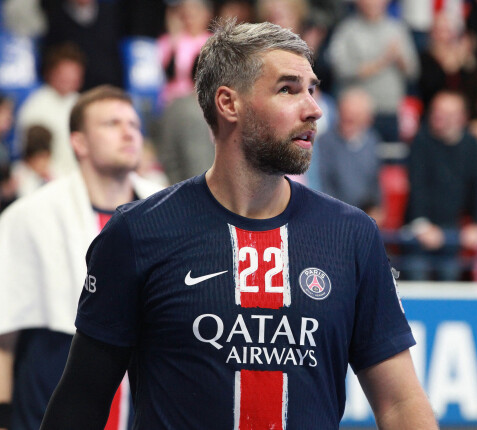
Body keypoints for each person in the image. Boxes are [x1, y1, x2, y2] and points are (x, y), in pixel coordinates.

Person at [40, 20, 438, 429]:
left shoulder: (352, 236)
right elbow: (81, 402)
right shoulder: (138, 233)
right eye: (288, 89)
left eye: (312, 89)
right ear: (228, 104)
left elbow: (400, 403)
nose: (314, 109)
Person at [0, 85, 162, 430]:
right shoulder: (29, 216)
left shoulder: (167, 214)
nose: (128, 133)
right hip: (47, 400)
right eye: (112, 124)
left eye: (134, 124)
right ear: (79, 143)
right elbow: (4, 335)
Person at [404, 90, 477, 281]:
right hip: (419, 227)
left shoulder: (472, 145)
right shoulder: (421, 141)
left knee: (450, 271)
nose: (439, 118)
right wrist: (422, 225)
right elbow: (417, 186)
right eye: (436, 112)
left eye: (447, 114)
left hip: (453, 228)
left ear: (462, 118)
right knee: (416, 269)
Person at [327, 0, 419, 143]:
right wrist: (382, 61)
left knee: (391, 159)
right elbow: (338, 68)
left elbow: (413, 72)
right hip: (357, 114)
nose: (372, 3)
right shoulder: (347, 29)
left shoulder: (397, 28)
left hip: (390, 110)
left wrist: (399, 59)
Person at [16, 42, 85, 179]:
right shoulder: (35, 105)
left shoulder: (83, 103)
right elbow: (34, 158)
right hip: (43, 180)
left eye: (74, 73)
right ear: (50, 73)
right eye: (64, 73)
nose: (69, 78)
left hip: (78, 178)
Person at [317, 87, 382, 220]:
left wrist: (375, 209)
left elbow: (374, 182)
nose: (347, 118)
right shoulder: (324, 142)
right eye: (344, 113)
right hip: (333, 214)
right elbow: (323, 185)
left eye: (354, 116)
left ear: (367, 119)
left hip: (363, 215)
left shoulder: (372, 141)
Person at [11, 124, 53, 197]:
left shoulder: (52, 172)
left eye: (47, 157)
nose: (44, 163)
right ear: (30, 158)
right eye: (40, 158)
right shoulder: (18, 173)